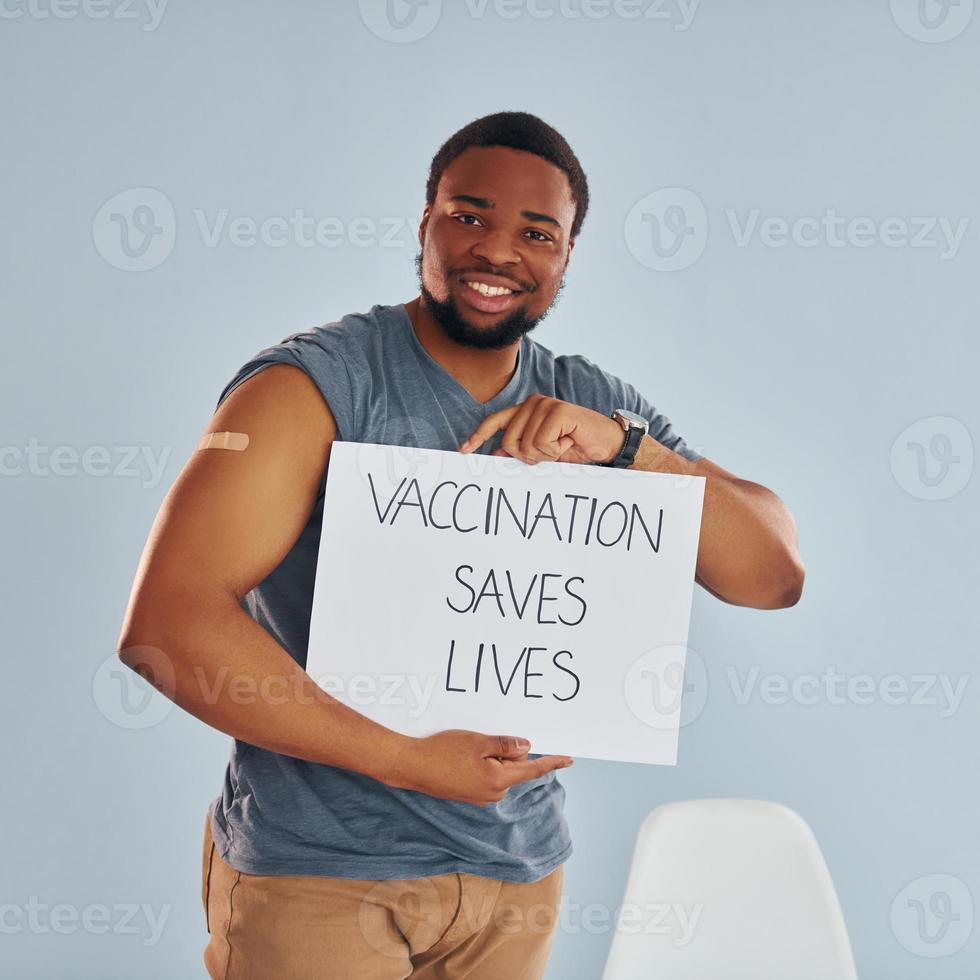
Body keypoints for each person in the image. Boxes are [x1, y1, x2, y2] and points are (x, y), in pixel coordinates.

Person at [116, 110, 804, 979]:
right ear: (426, 224)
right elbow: (167, 628)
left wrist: (633, 451)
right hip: (323, 875)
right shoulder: (314, 386)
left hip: (516, 879)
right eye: (469, 216)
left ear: (565, 257)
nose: (498, 251)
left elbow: (773, 574)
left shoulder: (589, 400)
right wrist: (411, 761)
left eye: (536, 232)